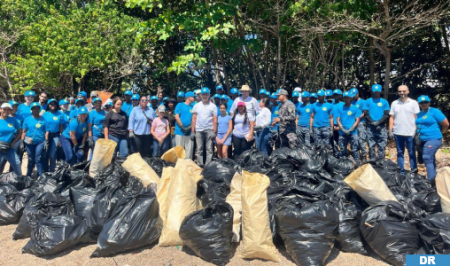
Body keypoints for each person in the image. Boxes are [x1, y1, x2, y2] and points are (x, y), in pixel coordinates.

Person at [416, 95, 449, 180]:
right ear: (419, 104)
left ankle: (431, 181)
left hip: (433, 139)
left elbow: (446, 124)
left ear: (429, 102)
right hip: (421, 140)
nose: (424, 104)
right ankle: (434, 178)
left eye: (425, 102)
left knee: (427, 157)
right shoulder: (419, 114)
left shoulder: (435, 111)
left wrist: (442, 132)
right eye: (421, 103)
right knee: (430, 158)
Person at [389, 85, 420, 173]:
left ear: (408, 91)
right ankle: (401, 171)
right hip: (398, 132)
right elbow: (392, 117)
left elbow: (416, 117)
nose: (402, 93)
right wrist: (390, 130)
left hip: (410, 132)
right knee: (400, 153)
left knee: (411, 153)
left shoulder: (413, 103)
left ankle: (414, 171)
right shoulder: (394, 103)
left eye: (403, 91)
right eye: (400, 91)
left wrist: (417, 131)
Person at [191, 87, 217, 166]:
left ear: (209, 95)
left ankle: (208, 165)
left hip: (209, 130)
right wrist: (192, 131)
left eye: (206, 94)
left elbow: (215, 119)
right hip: (199, 130)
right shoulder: (196, 106)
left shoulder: (213, 106)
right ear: (201, 96)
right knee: (199, 149)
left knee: (209, 149)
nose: (205, 96)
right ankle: (200, 164)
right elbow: (194, 119)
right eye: (203, 94)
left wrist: (214, 131)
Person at [364, 84, 390, 160]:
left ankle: (381, 161)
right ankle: (372, 162)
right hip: (370, 127)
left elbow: (387, 114)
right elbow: (366, 113)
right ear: (372, 91)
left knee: (381, 146)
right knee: (371, 145)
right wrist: (373, 123)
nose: (376, 93)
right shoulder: (368, 101)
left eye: (378, 91)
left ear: (380, 91)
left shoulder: (384, 102)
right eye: (375, 91)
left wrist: (378, 122)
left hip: (381, 127)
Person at [22, 102, 48, 176]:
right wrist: (22, 141)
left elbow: (47, 131)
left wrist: (46, 141)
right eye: (34, 108)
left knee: (38, 158)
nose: (36, 110)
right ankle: (28, 174)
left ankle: (39, 175)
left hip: (40, 141)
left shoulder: (43, 119)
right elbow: (24, 131)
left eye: (37, 108)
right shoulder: (27, 119)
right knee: (30, 159)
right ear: (31, 110)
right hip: (29, 142)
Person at [336, 92, 361, 163]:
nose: (346, 99)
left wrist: (351, 129)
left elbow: (357, 120)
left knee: (355, 149)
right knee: (342, 149)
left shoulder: (355, 108)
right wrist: (343, 129)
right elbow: (338, 120)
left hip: (353, 133)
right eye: (345, 98)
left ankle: (357, 164)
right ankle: (344, 164)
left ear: (350, 98)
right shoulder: (340, 108)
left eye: (348, 98)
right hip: (342, 133)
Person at [0, 100, 25, 173]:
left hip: (8, 147)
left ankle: (19, 180)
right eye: (4, 109)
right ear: (0, 109)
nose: (6, 111)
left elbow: (20, 131)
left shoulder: (13, 120)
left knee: (17, 163)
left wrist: (14, 142)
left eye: (8, 109)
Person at [42, 99, 63, 172]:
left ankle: (51, 172)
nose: (52, 105)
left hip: (55, 135)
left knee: (52, 155)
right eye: (51, 104)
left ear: (57, 105)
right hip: (45, 135)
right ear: (48, 105)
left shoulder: (59, 114)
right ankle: (44, 171)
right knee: (44, 155)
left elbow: (61, 126)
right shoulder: (44, 114)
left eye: (54, 104)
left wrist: (61, 138)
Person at [174, 91, 195, 159]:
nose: (194, 98)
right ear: (188, 97)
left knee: (189, 151)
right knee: (179, 150)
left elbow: (194, 119)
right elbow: (176, 116)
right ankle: (179, 166)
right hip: (179, 131)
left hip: (189, 132)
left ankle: (188, 166)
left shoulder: (192, 107)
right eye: (193, 97)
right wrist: (182, 127)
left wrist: (189, 127)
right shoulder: (180, 105)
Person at [351, 88, 367, 162]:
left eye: (354, 95)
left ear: (358, 94)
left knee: (361, 140)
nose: (353, 97)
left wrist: (357, 117)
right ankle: (356, 156)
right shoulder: (351, 102)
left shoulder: (362, 102)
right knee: (354, 140)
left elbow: (364, 113)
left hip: (360, 123)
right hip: (353, 123)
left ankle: (364, 155)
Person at [331, 89, 344, 155]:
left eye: (337, 95)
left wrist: (340, 126)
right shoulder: (330, 105)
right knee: (333, 142)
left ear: (340, 96)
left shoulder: (343, 104)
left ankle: (342, 155)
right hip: (332, 126)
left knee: (341, 142)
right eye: (334, 95)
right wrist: (332, 126)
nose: (336, 96)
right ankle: (336, 155)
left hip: (341, 126)